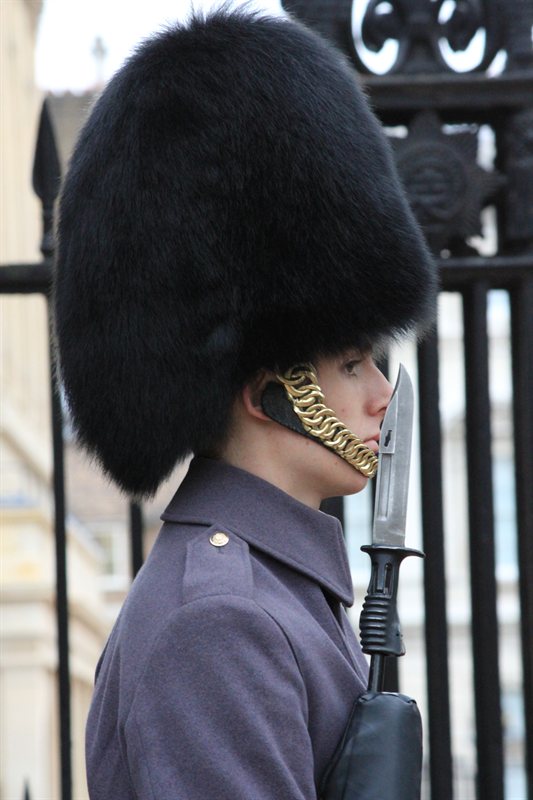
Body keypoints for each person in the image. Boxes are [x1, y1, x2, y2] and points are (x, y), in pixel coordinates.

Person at [53, 8, 436, 799]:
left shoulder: (270, 595)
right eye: (352, 363)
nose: (380, 396)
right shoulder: (220, 622)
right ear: (264, 388)